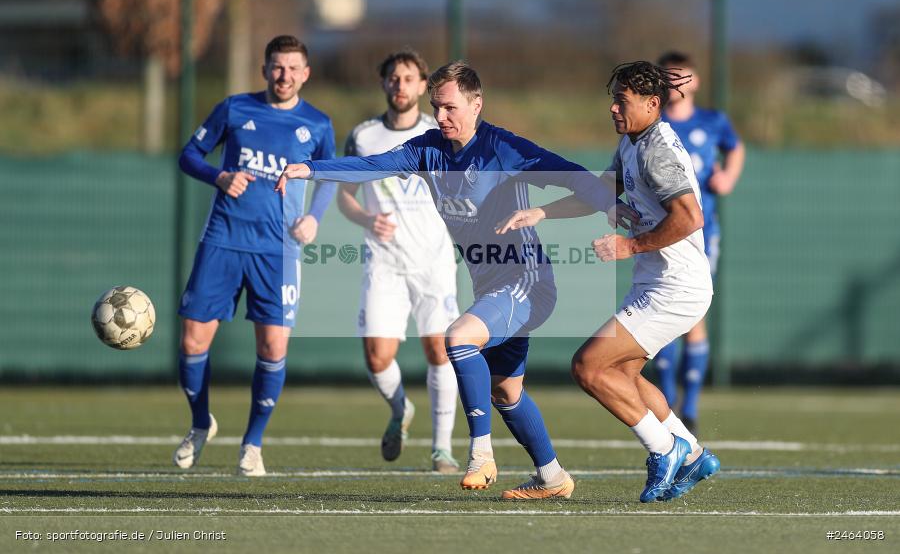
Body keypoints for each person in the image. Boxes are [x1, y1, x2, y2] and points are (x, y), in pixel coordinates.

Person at [276, 61, 616, 500]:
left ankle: (479, 453)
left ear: (477, 104)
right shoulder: (429, 149)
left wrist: (608, 205)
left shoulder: (502, 148)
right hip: (491, 286)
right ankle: (552, 477)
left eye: (451, 108)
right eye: (436, 108)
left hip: (526, 280)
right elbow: (372, 165)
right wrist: (310, 169)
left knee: (457, 338)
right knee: (505, 391)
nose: (441, 117)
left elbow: (564, 171)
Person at [498, 61, 720, 502]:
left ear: (652, 104)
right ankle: (693, 454)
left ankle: (665, 448)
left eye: (623, 100)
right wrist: (543, 212)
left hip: (677, 287)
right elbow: (604, 192)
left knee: (589, 367)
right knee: (623, 372)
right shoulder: (632, 142)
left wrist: (630, 246)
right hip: (656, 283)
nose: (614, 108)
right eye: (613, 99)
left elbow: (691, 217)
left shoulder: (658, 149)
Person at [174, 35, 336, 477]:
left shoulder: (318, 125)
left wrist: (315, 218)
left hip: (278, 250)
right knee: (191, 340)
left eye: (293, 68)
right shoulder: (234, 108)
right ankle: (199, 423)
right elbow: (188, 156)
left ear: (306, 73)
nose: (284, 76)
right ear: (264, 69)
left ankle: (253, 443)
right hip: (223, 239)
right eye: (276, 67)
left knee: (272, 347)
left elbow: (330, 177)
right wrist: (219, 176)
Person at [339, 49, 460, 473]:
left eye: (409, 78)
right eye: (394, 78)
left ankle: (441, 449)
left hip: (434, 261)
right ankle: (401, 408)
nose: (401, 85)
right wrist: (368, 218)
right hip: (384, 262)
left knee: (441, 351)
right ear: (384, 84)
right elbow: (345, 197)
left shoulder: (440, 131)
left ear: (424, 86)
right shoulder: (364, 136)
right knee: (376, 357)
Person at [653, 51, 745, 434]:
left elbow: (735, 147)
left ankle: (688, 407)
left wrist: (728, 177)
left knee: (693, 316)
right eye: (668, 77)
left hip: (702, 235)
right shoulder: (652, 126)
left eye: (682, 76)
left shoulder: (713, 121)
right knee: (661, 316)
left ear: (695, 82)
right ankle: (666, 399)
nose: (675, 83)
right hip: (661, 232)